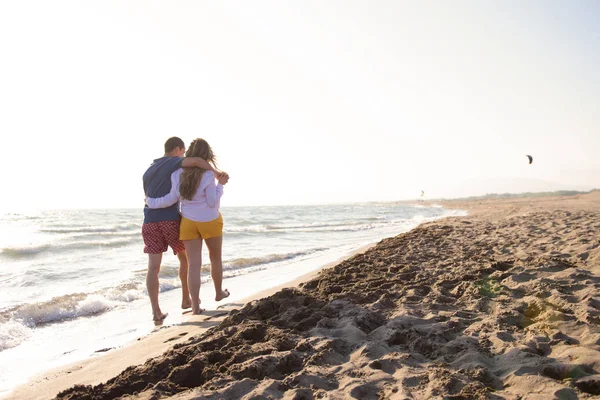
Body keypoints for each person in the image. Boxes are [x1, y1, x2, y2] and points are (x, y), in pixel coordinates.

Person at [146, 138, 229, 315]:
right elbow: (213, 203)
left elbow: (172, 198)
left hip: (184, 223)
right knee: (215, 258)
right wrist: (220, 184)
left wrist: (150, 202)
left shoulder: (175, 174)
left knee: (192, 265)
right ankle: (217, 293)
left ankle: (193, 306)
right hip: (207, 220)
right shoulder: (205, 174)